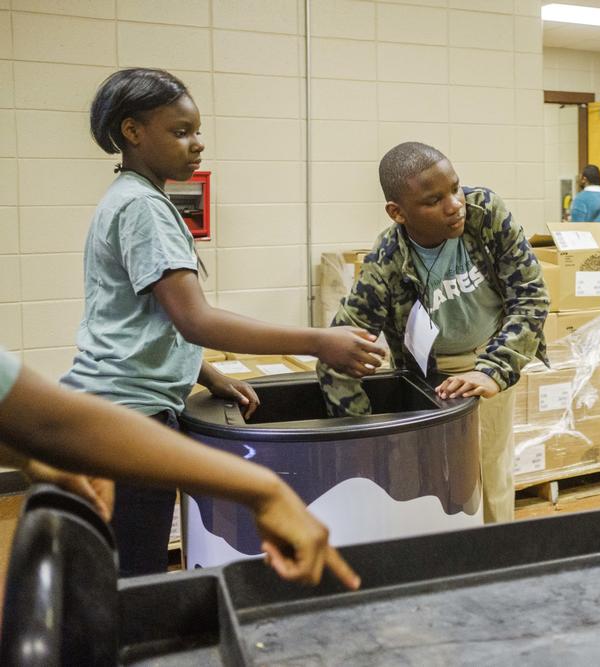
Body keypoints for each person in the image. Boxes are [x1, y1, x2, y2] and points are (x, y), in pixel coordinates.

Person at [60, 68, 386, 577]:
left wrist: (207, 374)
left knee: (127, 564)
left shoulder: (128, 197)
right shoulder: (144, 207)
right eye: (180, 131)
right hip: (128, 417)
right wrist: (320, 341)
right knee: (133, 577)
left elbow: (144, 317)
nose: (197, 144)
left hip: (115, 410)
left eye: (197, 130)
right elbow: (196, 319)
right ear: (132, 131)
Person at [316, 142, 549, 524]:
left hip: (489, 358)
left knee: (491, 476)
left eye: (455, 188)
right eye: (434, 200)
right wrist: (364, 437)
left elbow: (531, 295)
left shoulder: (485, 213)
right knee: (433, 487)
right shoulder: (386, 261)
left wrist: (493, 370)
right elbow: (339, 355)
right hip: (427, 378)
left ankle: (495, 566)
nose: (455, 204)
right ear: (398, 213)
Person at [0, 347, 359, 588]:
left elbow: (34, 422)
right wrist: (264, 490)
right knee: (132, 581)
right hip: (132, 413)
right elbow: (50, 423)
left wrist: (31, 457)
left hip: (125, 424)